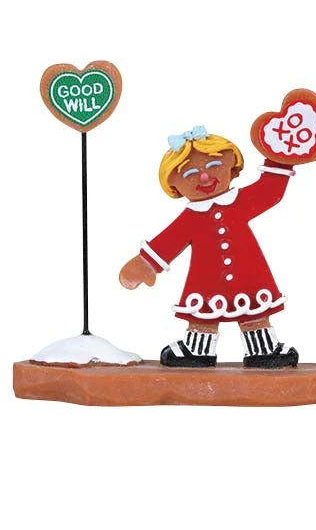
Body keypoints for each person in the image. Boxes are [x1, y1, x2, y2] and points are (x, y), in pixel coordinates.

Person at [119, 126, 299, 368]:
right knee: (203, 313)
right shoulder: (191, 218)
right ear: (174, 184)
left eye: (214, 166)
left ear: (232, 167)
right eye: (190, 173)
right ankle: (197, 351)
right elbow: (169, 241)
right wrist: (145, 264)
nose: (204, 177)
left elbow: (269, 190)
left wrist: (281, 157)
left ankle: (264, 350)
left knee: (254, 310)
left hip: (248, 274)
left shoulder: (241, 202)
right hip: (206, 280)